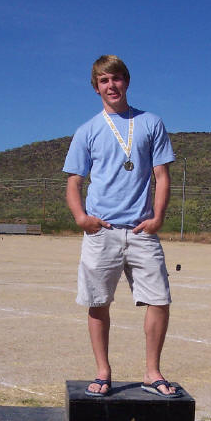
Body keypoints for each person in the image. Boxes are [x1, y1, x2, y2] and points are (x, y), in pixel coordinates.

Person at [63, 55, 181, 399]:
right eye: (104, 81)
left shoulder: (150, 123)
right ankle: (103, 372)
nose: (111, 86)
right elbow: (74, 182)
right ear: (96, 87)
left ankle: (152, 372)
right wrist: (82, 218)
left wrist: (158, 217)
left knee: (159, 299)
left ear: (126, 81)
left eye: (116, 78)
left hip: (142, 230)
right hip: (102, 231)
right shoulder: (87, 131)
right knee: (98, 301)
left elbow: (162, 175)